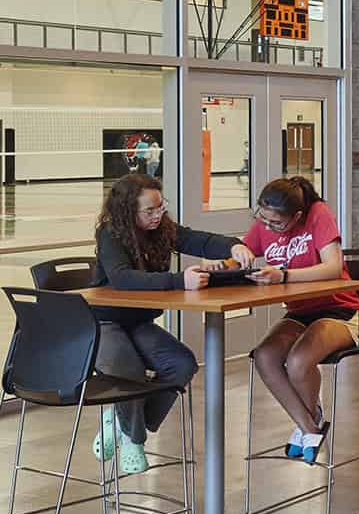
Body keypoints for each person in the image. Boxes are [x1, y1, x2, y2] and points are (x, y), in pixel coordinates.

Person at [92, 173, 251, 476]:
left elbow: (199, 240)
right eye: (149, 211)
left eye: (160, 207)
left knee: (181, 364)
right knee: (128, 370)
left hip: (138, 321)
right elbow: (122, 278)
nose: (157, 215)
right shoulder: (110, 234)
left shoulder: (162, 229)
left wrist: (234, 246)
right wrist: (181, 280)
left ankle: (122, 419)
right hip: (105, 320)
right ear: (128, 211)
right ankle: (134, 440)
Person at [241, 177, 359, 464]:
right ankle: (310, 425)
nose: (267, 227)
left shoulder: (318, 214)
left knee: (298, 361)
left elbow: (333, 268)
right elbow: (245, 249)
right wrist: (232, 259)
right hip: (299, 311)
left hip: (339, 309)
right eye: (263, 219)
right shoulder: (268, 219)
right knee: (265, 356)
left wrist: (283, 276)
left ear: (296, 216)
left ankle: (307, 427)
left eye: (276, 224)